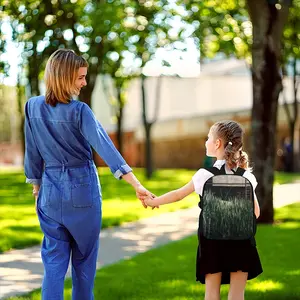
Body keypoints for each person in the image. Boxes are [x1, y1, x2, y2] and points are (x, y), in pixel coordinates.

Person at [24, 49, 154, 300]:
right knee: (83, 264)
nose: (84, 83)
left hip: (49, 193)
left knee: (53, 264)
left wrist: (37, 188)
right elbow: (106, 148)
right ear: (64, 77)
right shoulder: (79, 111)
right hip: (82, 191)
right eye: (80, 77)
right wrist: (136, 184)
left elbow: (32, 153)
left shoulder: (32, 107)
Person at [145, 120, 263, 300]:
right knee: (237, 295)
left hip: (212, 243)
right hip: (241, 243)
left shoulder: (205, 175)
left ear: (217, 144)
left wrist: (154, 201)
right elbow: (256, 212)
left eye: (208, 138)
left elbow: (178, 195)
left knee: (211, 294)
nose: (205, 142)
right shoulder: (247, 176)